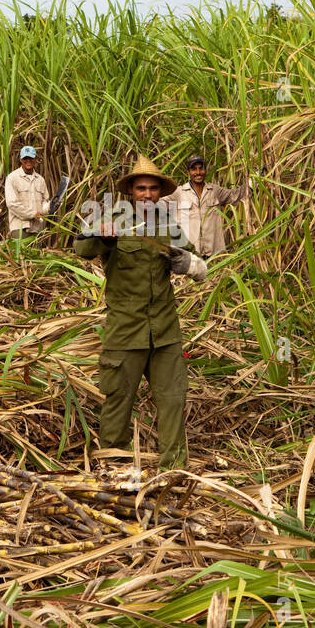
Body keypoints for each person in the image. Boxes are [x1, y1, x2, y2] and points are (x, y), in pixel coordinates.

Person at [74, 155, 208, 470]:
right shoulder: (113, 219)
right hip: (125, 332)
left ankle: (172, 470)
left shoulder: (166, 224)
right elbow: (82, 249)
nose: (147, 195)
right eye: (141, 188)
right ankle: (114, 467)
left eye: (152, 189)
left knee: (173, 400)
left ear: (160, 192)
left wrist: (187, 263)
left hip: (164, 331)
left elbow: (198, 264)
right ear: (131, 191)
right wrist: (102, 237)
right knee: (118, 402)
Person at [169, 155, 251, 258]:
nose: (198, 172)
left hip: (214, 255)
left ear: (205, 170)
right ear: (188, 172)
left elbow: (235, 195)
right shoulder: (178, 193)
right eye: (194, 169)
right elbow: (156, 205)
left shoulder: (215, 191)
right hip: (189, 256)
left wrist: (254, 181)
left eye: (201, 168)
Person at [4, 145, 51, 240]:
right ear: (21, 159)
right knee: (20, 254)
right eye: (25, 158)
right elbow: (12, 204)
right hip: (20, 228)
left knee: (36, 254)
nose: (28, 160)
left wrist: (53, 205)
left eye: (31, 158)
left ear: (35, 159)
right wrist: (32, 214)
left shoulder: (40, 180)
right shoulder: (12, 178)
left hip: (37, 230)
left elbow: (44, 203)